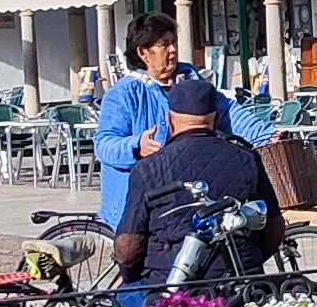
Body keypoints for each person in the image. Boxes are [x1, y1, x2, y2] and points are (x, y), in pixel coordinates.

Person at [113, 70, 278, 295]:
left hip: (170, 285)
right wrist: (251, 256)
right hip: (241, 285)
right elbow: (274, 227)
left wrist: (131, 276)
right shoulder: (246, 159)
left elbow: (128, 245)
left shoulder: (148, 168)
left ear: (170, 122)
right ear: (217, 119)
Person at [92, 17, 219, 226]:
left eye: (173, 42)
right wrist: (136, 146)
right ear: (144, 53)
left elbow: (228, 110)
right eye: (164, 44)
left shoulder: (190, 80)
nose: (173, 50)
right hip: (134, 203)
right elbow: (104, 145)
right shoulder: (124, 93)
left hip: (180, 198)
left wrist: (267, 134)